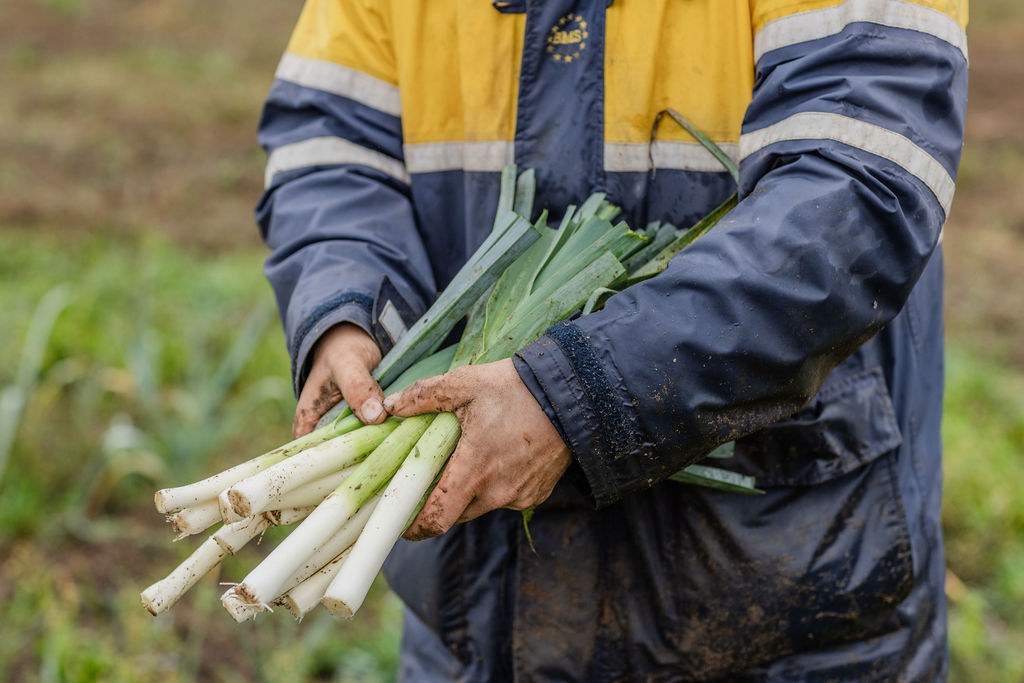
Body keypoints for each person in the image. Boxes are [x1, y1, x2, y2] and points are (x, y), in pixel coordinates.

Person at [255, 0, 968, 679]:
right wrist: (350, 312)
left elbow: (857, 192)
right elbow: (332, 143)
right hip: (475, 621)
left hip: (790, 605)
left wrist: (578, 397)